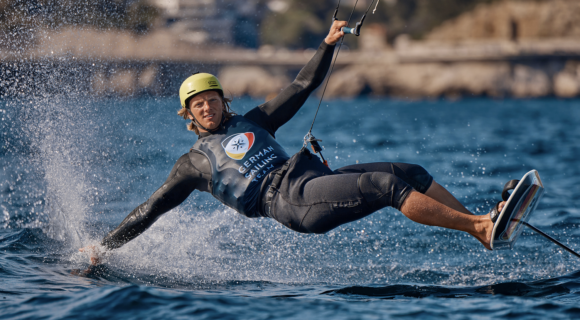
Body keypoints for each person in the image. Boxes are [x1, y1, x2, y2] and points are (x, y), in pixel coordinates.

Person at [80, 20, 502, 265]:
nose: (206, 108)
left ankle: (479, 227)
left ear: (223, 102)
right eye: (197, 105)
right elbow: (151, 209)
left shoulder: (255, 120)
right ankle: (481, 226)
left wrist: (328, 43)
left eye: (211, 100)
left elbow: (302, 84)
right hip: (289, 202)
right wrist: (104, 246)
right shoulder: (192, 165)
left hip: (309, 180)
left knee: (406, 173)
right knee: (385, 188)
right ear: (187, 115)